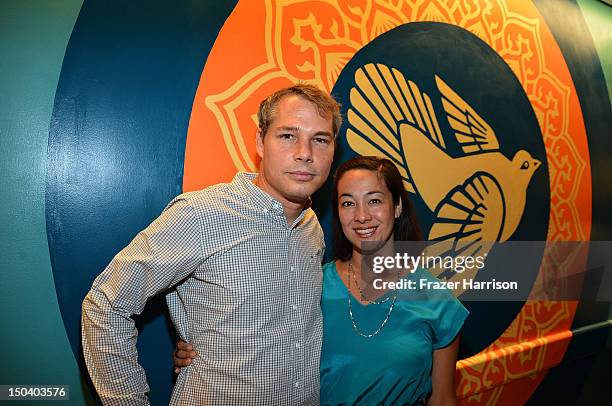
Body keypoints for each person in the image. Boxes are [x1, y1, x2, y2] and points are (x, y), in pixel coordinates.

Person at [81, 84, 342, 405]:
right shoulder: (202, 214)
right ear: (261, 141)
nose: (305, 152)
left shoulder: (312, 226)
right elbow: (107, 305)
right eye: (288, 136)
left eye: (320, 139)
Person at [175, 156, 469, 405]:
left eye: (375, 200)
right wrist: (204, 354)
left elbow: (443, 400)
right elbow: (256, 338)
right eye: (348, 203)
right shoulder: (311, 284)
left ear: (397, 207)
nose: (362, 216)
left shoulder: (436, 301)